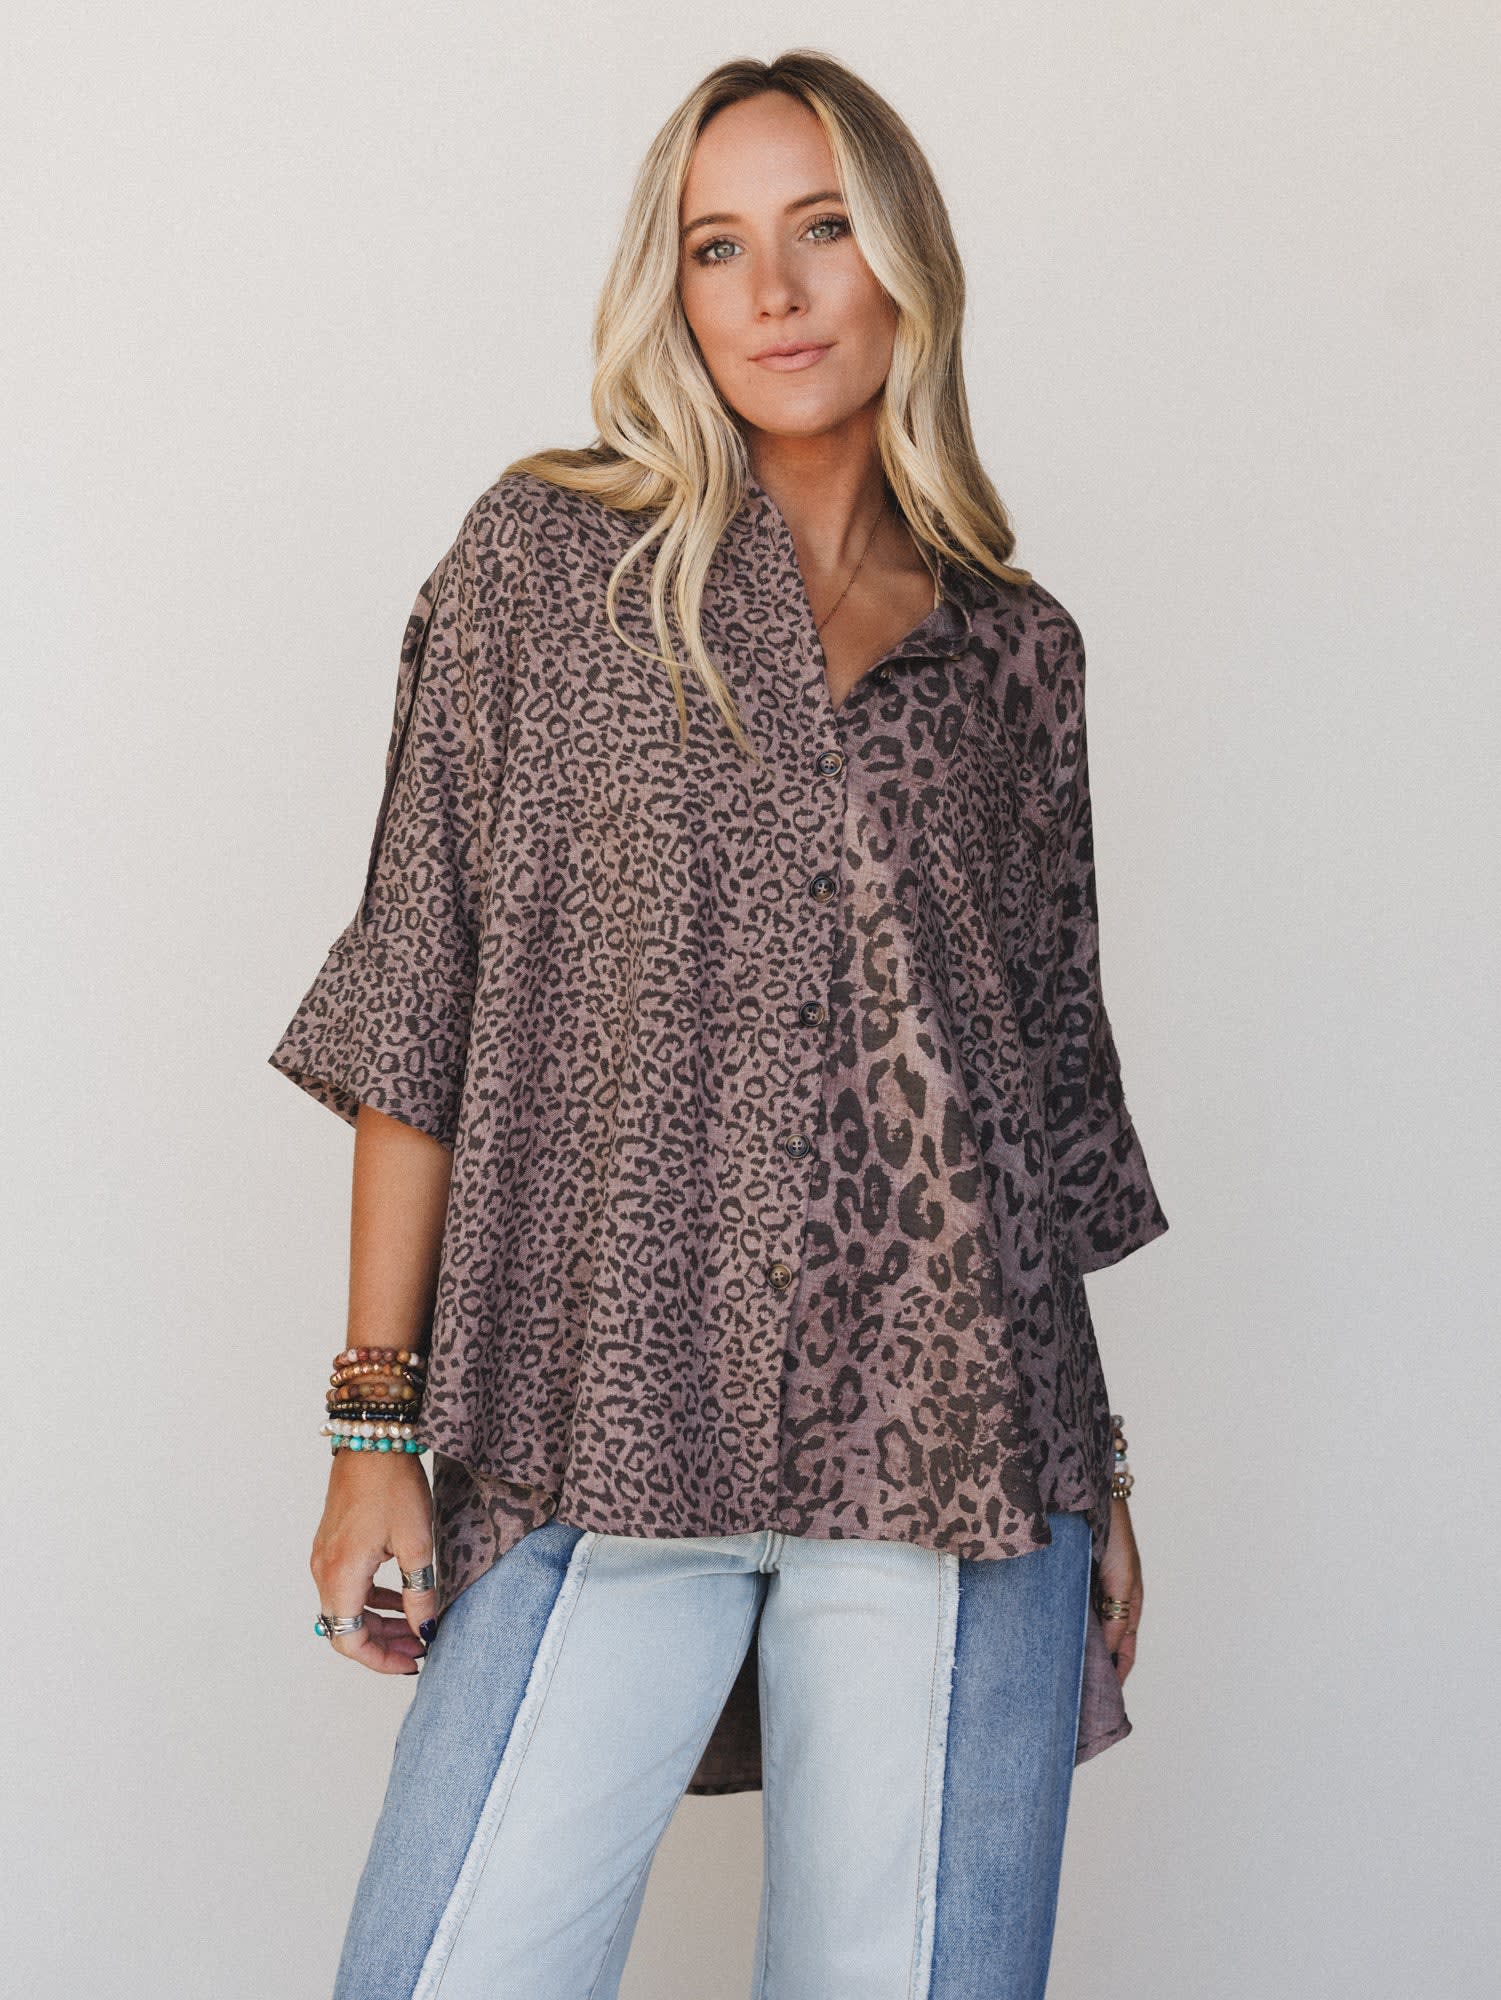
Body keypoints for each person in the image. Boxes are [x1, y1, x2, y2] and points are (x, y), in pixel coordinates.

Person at [269, 48, 1169, 2000]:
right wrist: (371, 1424)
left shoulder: (1014, 651)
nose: (772, 291)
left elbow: (1033, 1090)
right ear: (668, 286)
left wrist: (1094, 1462)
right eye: (716, 246)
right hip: (605, 1404)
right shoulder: (542, 567)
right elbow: (420, 982)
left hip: (954, 1441)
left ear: (904, 260)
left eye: (821, 228)